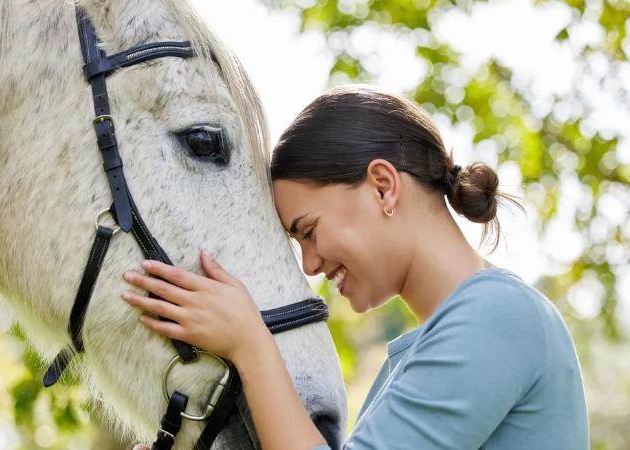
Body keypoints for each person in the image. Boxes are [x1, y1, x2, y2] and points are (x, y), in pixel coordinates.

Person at [122, 85, 589, 449]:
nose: (310, 263)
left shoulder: (494, 317)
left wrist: (250, 344)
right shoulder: (425, 351)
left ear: (383, 187)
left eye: (308, 230)